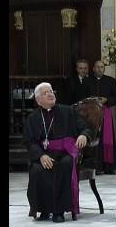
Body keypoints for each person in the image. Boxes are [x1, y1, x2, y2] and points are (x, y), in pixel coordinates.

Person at [24, 82, 92, 222]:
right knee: (37, 169)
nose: (50, 94)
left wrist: (83, 135)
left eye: (51, 91)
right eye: (45, 93)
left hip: (64, 153)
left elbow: (85, 127)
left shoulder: (67, 111)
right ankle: (44, 210)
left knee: (65, 164)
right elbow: (29, 142)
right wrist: (41, 156)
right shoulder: (33, 118)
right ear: (38, 100)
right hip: (43, 154)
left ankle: (59, 211)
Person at [86, 60, 116, 174]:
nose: (100, 69)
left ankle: (108, 167)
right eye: (97, 67)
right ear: (93, 69)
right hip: (91, 113)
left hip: (105, 112)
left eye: (102, 67)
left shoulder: (110, 81)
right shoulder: (87, 81)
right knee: (94, 140)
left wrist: (107, 100)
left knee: (107, 140)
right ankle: (95, 167)